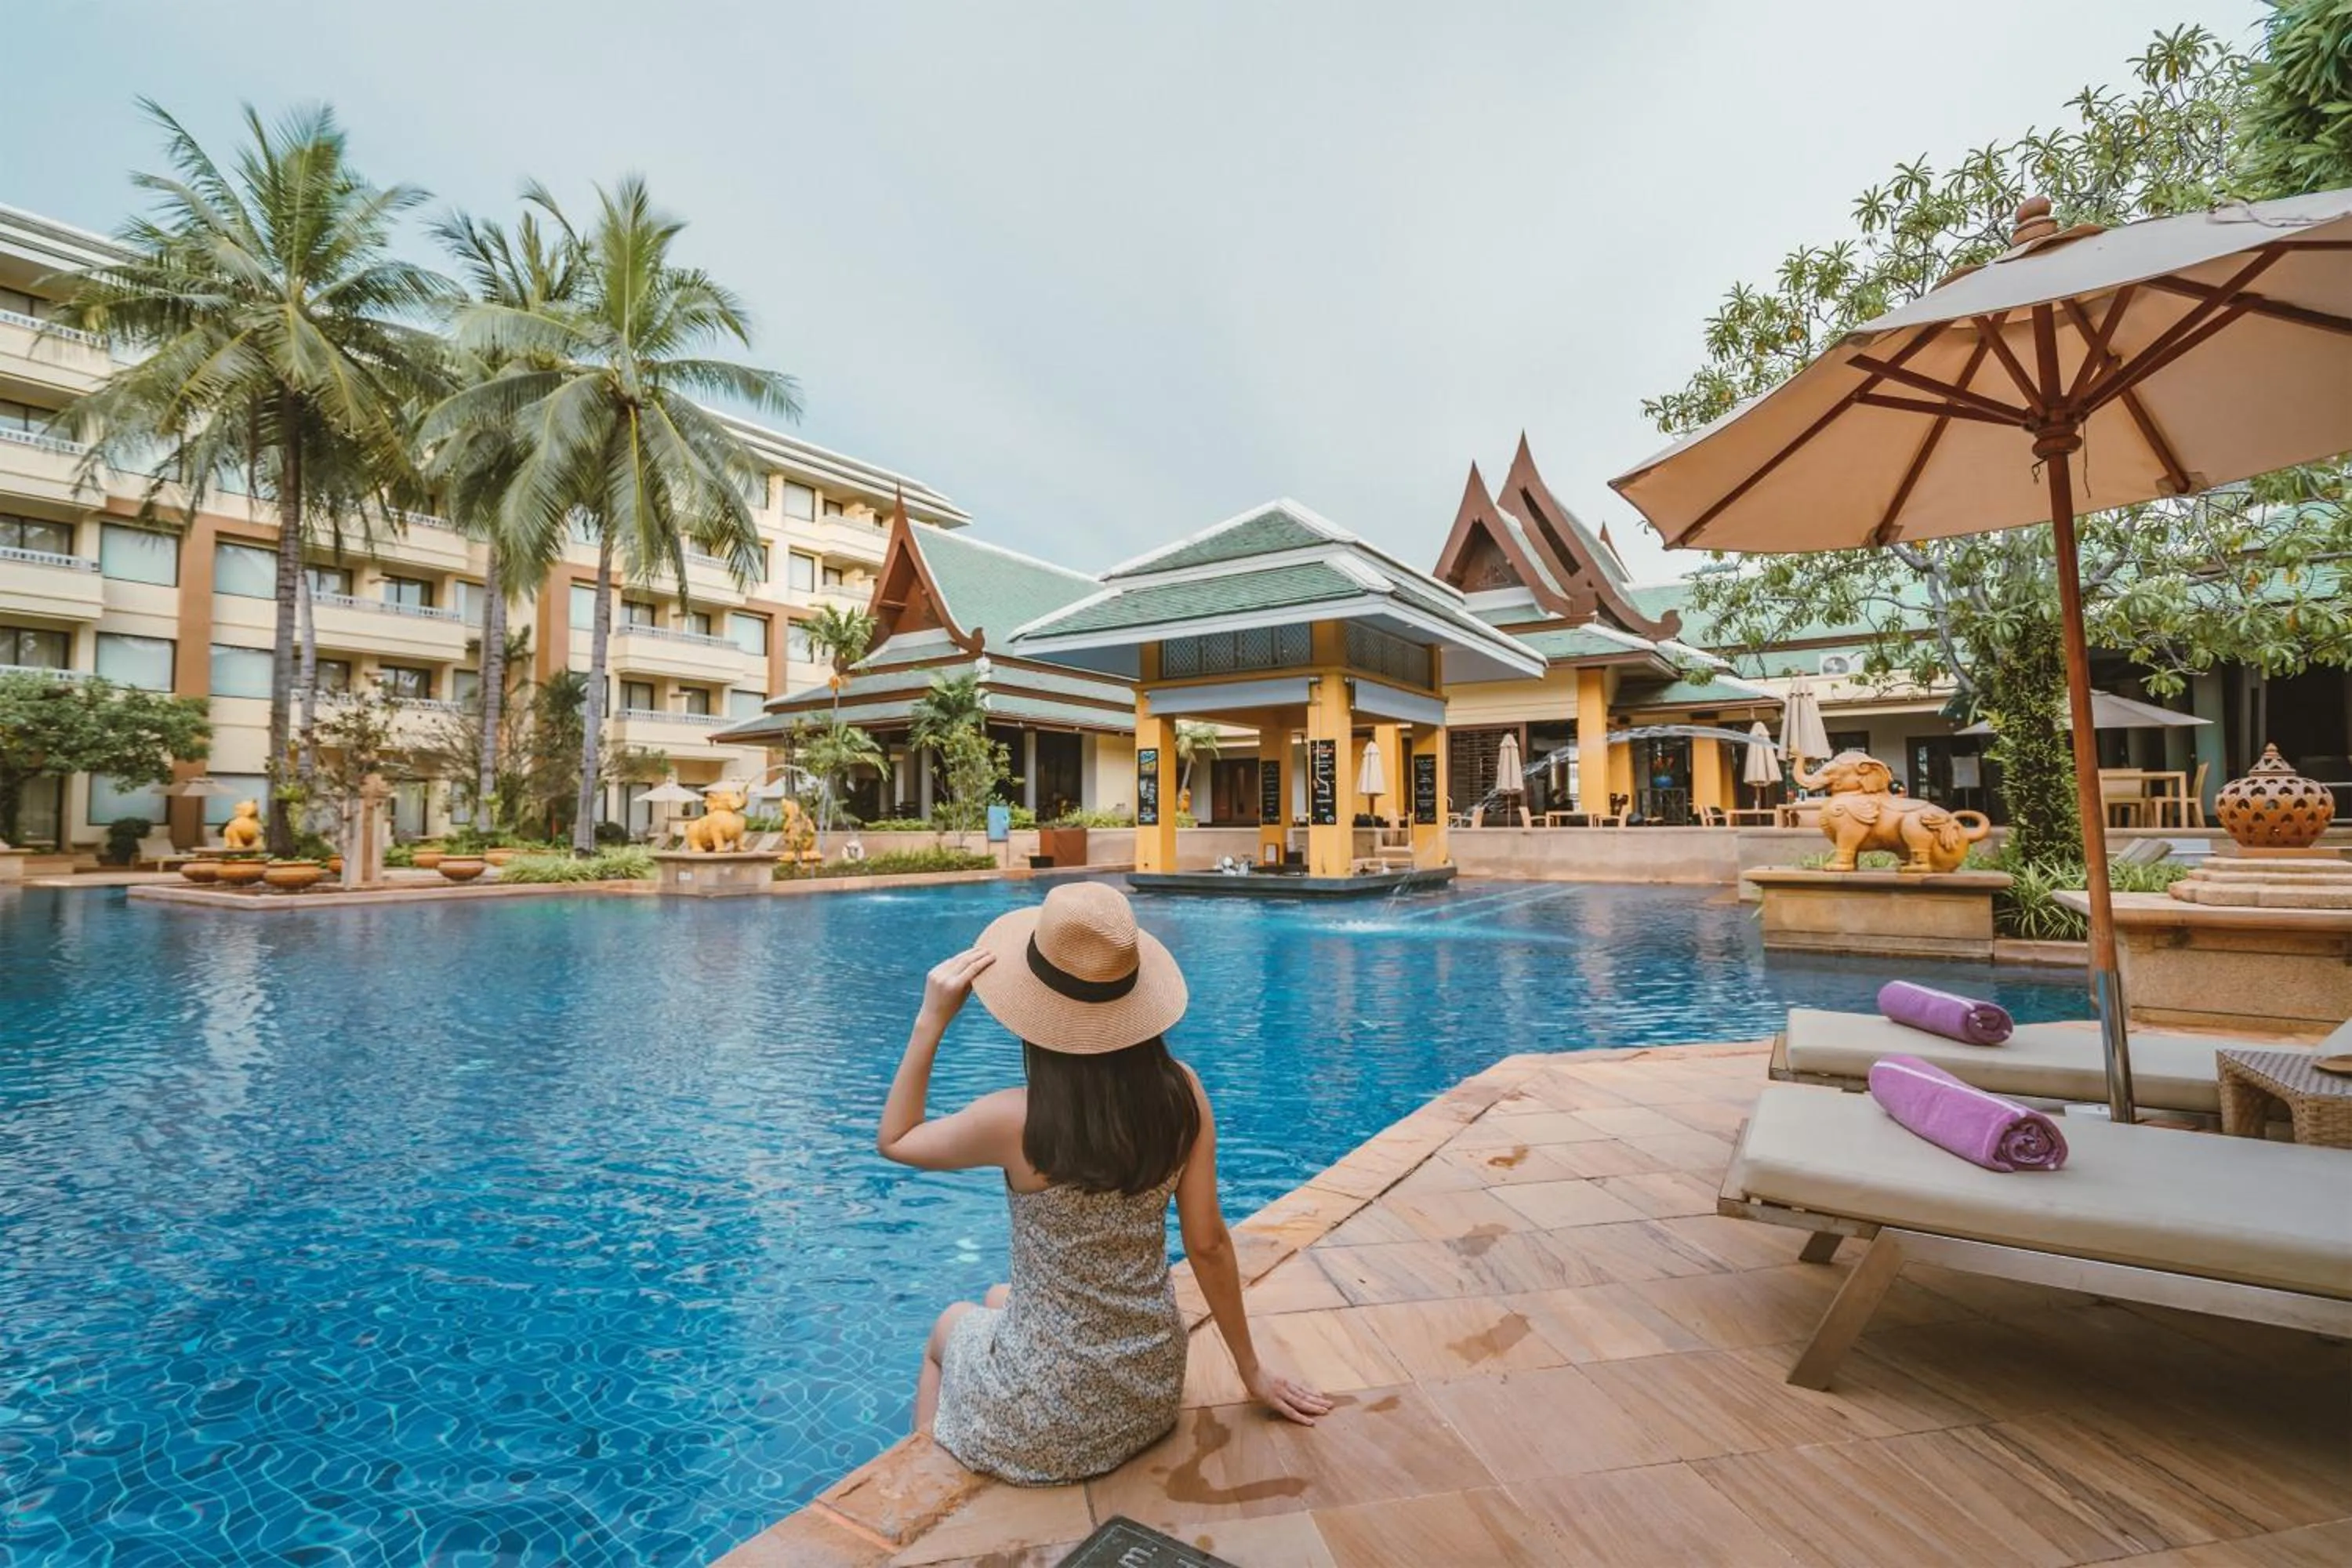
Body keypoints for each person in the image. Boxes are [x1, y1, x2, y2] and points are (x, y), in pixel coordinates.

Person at [877, 880, 1331, 1485]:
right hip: (1146, 1391)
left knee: (948, 1324)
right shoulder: (1183, 1093)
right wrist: (1252, 1371)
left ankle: (917, 1494)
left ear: (1034, 1002)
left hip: (1049, 1421)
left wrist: (931, 1020)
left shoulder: (1016, 1119)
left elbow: (897, 1139)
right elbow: (1208, 1245)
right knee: (998, 1296)